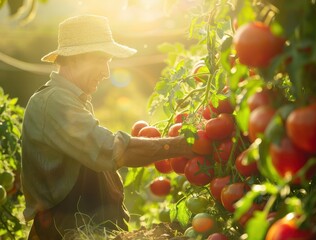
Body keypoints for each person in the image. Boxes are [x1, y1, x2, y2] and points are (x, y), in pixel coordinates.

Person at [21, 14, 194, 240]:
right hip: (67, 234)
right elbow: (110, 150)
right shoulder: (54, 102)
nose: (107, 72)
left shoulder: (72, 100)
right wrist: (182, 146)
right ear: (74, 59)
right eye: (101, 60)